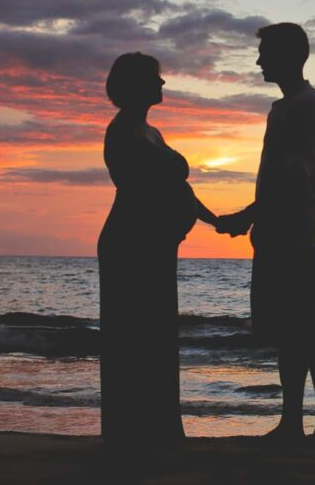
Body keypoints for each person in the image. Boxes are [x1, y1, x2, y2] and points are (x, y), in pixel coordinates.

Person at [216, 22, 315, 445]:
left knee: (311, 329)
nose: (258, 60)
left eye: (265, 52)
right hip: (277, 234)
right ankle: (292, 423)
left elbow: (293, 175)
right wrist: (255, 219)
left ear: (289, 56)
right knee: (291, 331)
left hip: (297, 235)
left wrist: (247, 214)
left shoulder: (306, 106)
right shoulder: (285, 107)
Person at [97, 52, 220, 449]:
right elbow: (147, 189)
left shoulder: (151, 132)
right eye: (155, 78)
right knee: (132, 339)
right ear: (135, 85)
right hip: (132, 245)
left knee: (157, 338)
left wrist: (215, 220)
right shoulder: (122, 133)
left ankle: (157, 430)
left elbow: (177, 190)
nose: (162, 84)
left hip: (156, 246)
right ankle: (130, 435)